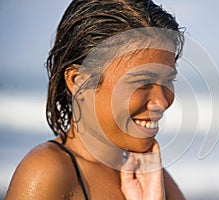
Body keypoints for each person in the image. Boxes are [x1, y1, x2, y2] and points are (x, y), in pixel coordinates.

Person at [6, 0, 185, 199]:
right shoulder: (48, 173)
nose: (161, 102)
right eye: (142, 83)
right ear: (79, 81)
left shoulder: (152, 179)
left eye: (169, 80)